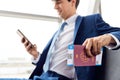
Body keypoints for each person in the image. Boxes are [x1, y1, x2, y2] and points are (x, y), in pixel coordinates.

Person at [21, 0, 120, 80]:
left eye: (58, 2)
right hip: (40, 76)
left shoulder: (91, 21)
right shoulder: (58, 31)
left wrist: (105, 38)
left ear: (72, 2)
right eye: (53, 2)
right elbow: (51, 64)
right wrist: (35, 55)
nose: (54, 7)